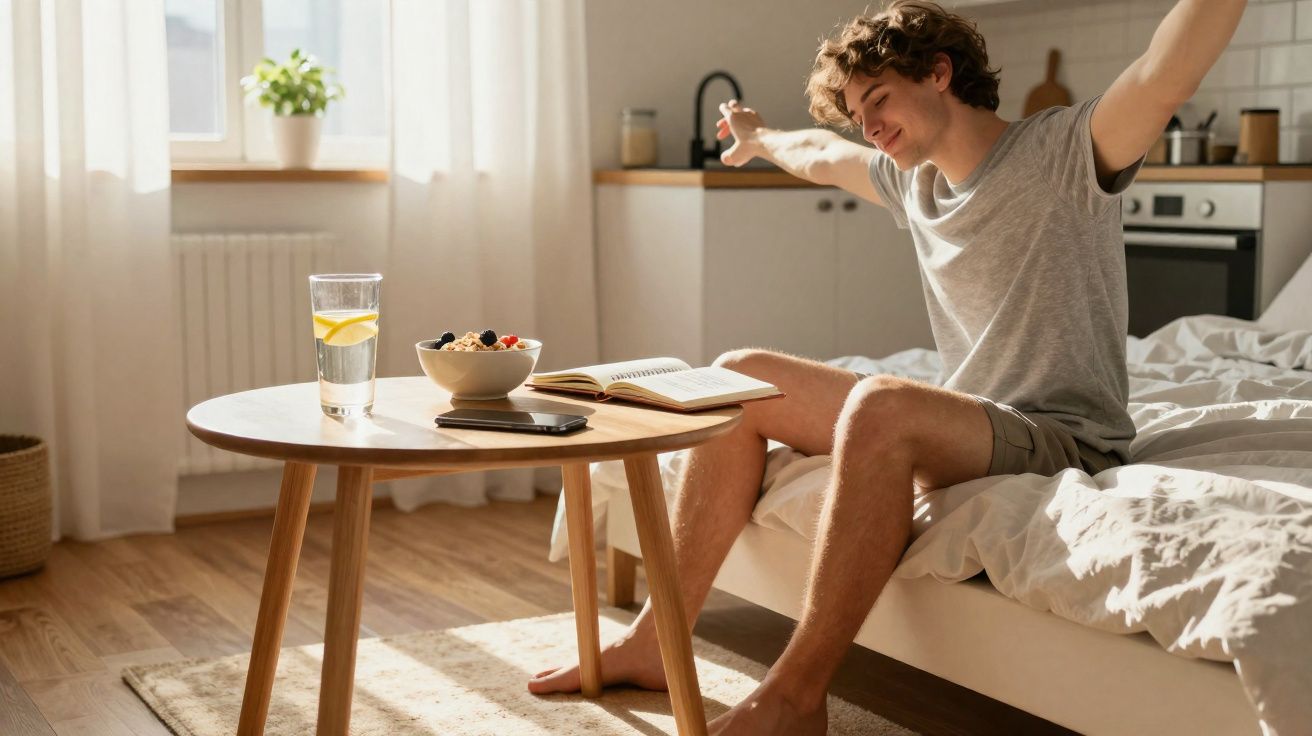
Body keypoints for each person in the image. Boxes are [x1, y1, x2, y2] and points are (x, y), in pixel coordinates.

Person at [528, 1, 1247, 733]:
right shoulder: (918, 183)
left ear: (939, 73)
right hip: (977, 423)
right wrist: (755, 136)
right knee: (739, 377)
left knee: (881, 404)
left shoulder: (1063, 150)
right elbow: (819, 154)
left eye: (879, 100)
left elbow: (1165, 73)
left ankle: (795, 696)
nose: (867, 126)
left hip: (1061, 436)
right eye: (856, 111)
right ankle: (655, 638)